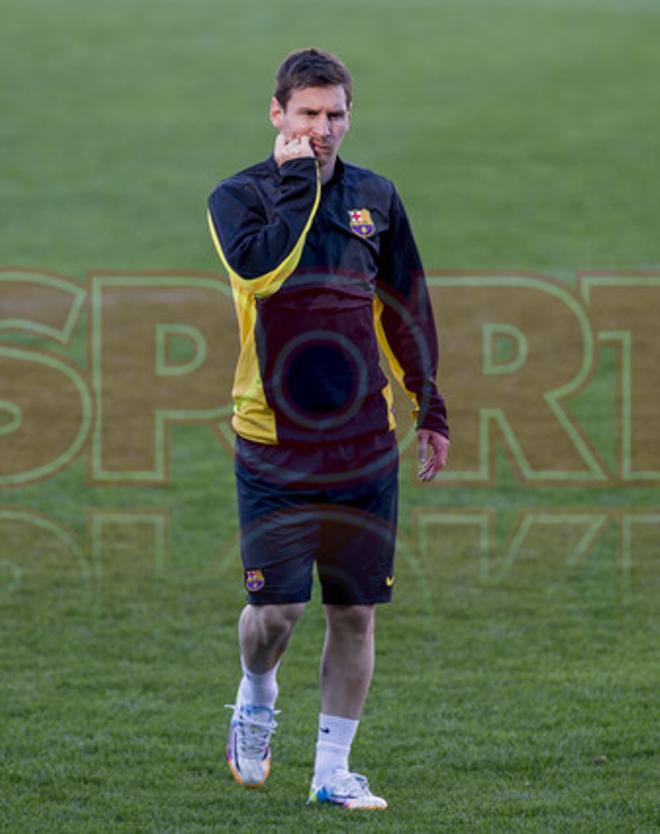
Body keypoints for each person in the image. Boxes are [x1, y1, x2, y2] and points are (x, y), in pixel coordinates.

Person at [207, 47, 449, 811]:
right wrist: (293, 183)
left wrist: (428, 400)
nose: (322, 129)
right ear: (276, 114)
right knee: (274, 614)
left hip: (363, 442)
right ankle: (256, 696)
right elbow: (262, 272)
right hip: (274, 440)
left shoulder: (375, 196)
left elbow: (406, 300)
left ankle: (331, 771)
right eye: (307, 114)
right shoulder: (239, 198)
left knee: (354, 612)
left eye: (335, 115)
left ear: (349, 116)